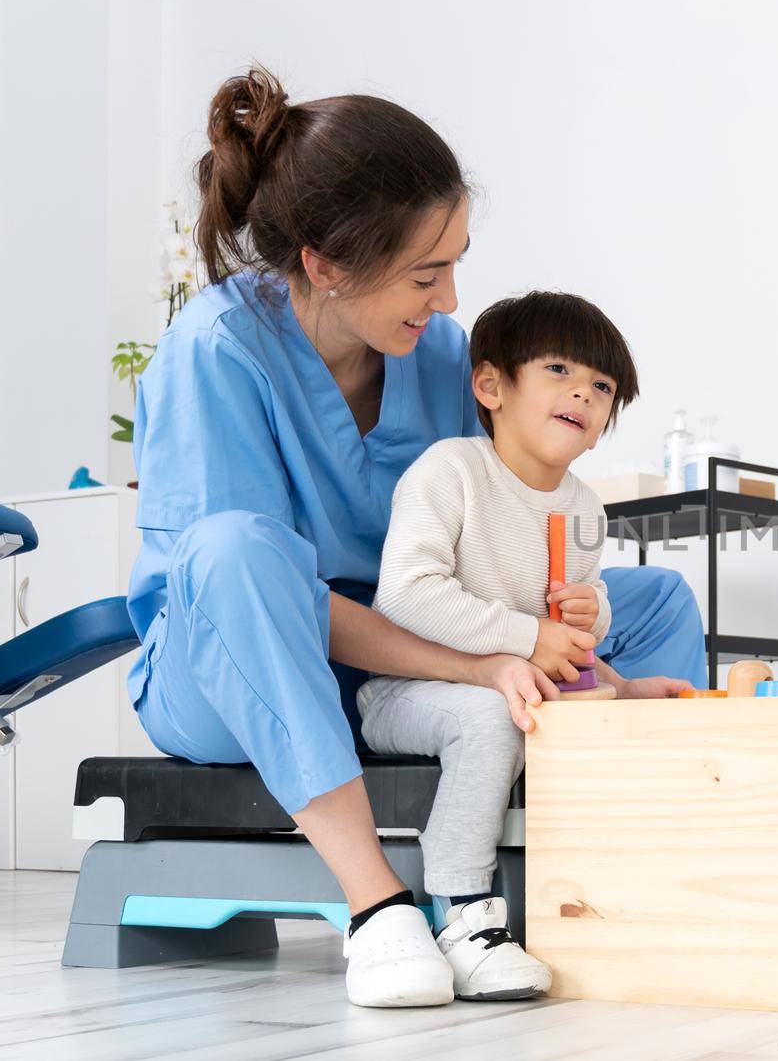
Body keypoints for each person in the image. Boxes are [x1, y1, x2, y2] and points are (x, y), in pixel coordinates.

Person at [127, 66, 702, 1008]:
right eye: (425, 273)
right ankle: (379, 906)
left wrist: (567, 597)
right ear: (323, 264)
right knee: (238, 550)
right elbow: (262, 594)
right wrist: (487, 662)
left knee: (654, 602)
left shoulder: (440, 355)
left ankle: (634, 862)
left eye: (456, 264)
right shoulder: (215, 350)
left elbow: (501, 520)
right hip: (232, 663)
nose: (447, 299)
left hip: (403, 658)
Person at [357, 290, 638, 1000]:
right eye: (558, 369)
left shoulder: (584, 507)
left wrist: (591, 611)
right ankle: (462, 915)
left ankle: (614, 897)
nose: (583, 390)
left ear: (604, 421)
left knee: (604, 714)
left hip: (511, 684)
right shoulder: (451, 471)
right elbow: (406, 593)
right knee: (486, 721)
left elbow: (573, 619)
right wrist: (526, 637)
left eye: (601, 386)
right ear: (491, 387)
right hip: (406, 691)